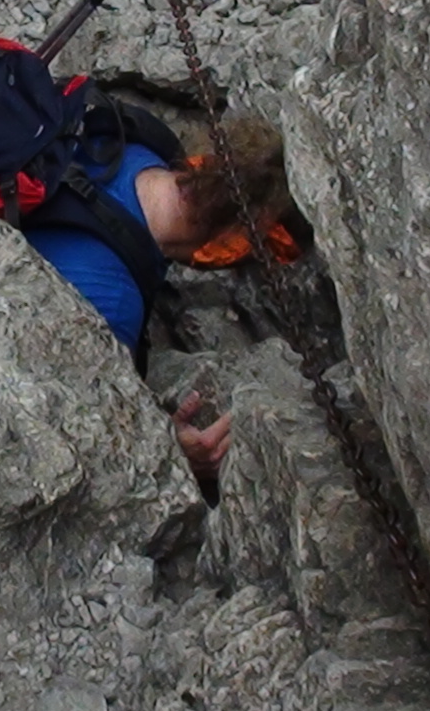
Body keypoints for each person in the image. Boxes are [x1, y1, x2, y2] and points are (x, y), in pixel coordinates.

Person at [21, 114, 292, 496]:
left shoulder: (123, 134)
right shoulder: (114, 303)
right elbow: (77, 437)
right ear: (232, 238)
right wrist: (168, 450)